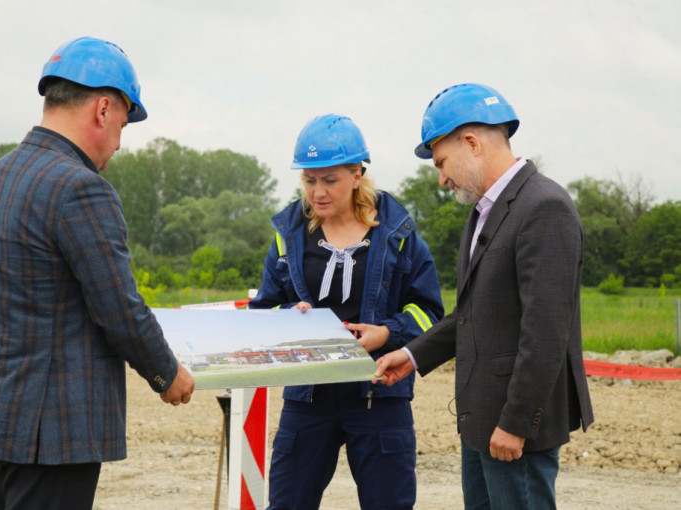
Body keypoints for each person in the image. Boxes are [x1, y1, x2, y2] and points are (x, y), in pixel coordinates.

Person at [0, 36, 194, 510]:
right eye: (123, 125)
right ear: (103, 109)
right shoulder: (81, 188)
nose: (119, 143)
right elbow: (120, 310)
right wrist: (167, 373)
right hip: (54, 435)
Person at [375, 83, 594, 509]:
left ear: (472, 143)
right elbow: (471, 313)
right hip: (481, 423)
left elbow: (546, 333)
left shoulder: (544, 207)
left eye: (441, 163)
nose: (441, 179)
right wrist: (413, 355)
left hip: (514, 430)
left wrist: (516, 423)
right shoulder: (483, 212)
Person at [249, 114, 444, 509]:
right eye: (309, 180)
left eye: (330, 180)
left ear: (357, 175)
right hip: (308, 397)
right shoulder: (288, 237)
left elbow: (429, 312)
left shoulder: (398, 234)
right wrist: (289, 315)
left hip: (379, 395)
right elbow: (262, 311)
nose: (317, 192)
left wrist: (387, 333)